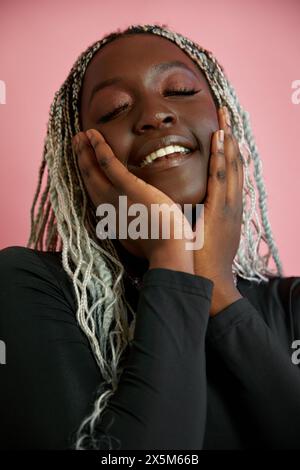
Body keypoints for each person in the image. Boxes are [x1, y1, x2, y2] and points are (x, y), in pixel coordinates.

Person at [0, 23, 300, 450]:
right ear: (78, 165)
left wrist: (216, 287)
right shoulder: (27, 287)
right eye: (114, 109)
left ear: (225, 119)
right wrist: (171, 254)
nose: (154, 115)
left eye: (178, 90)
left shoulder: (290, 308)